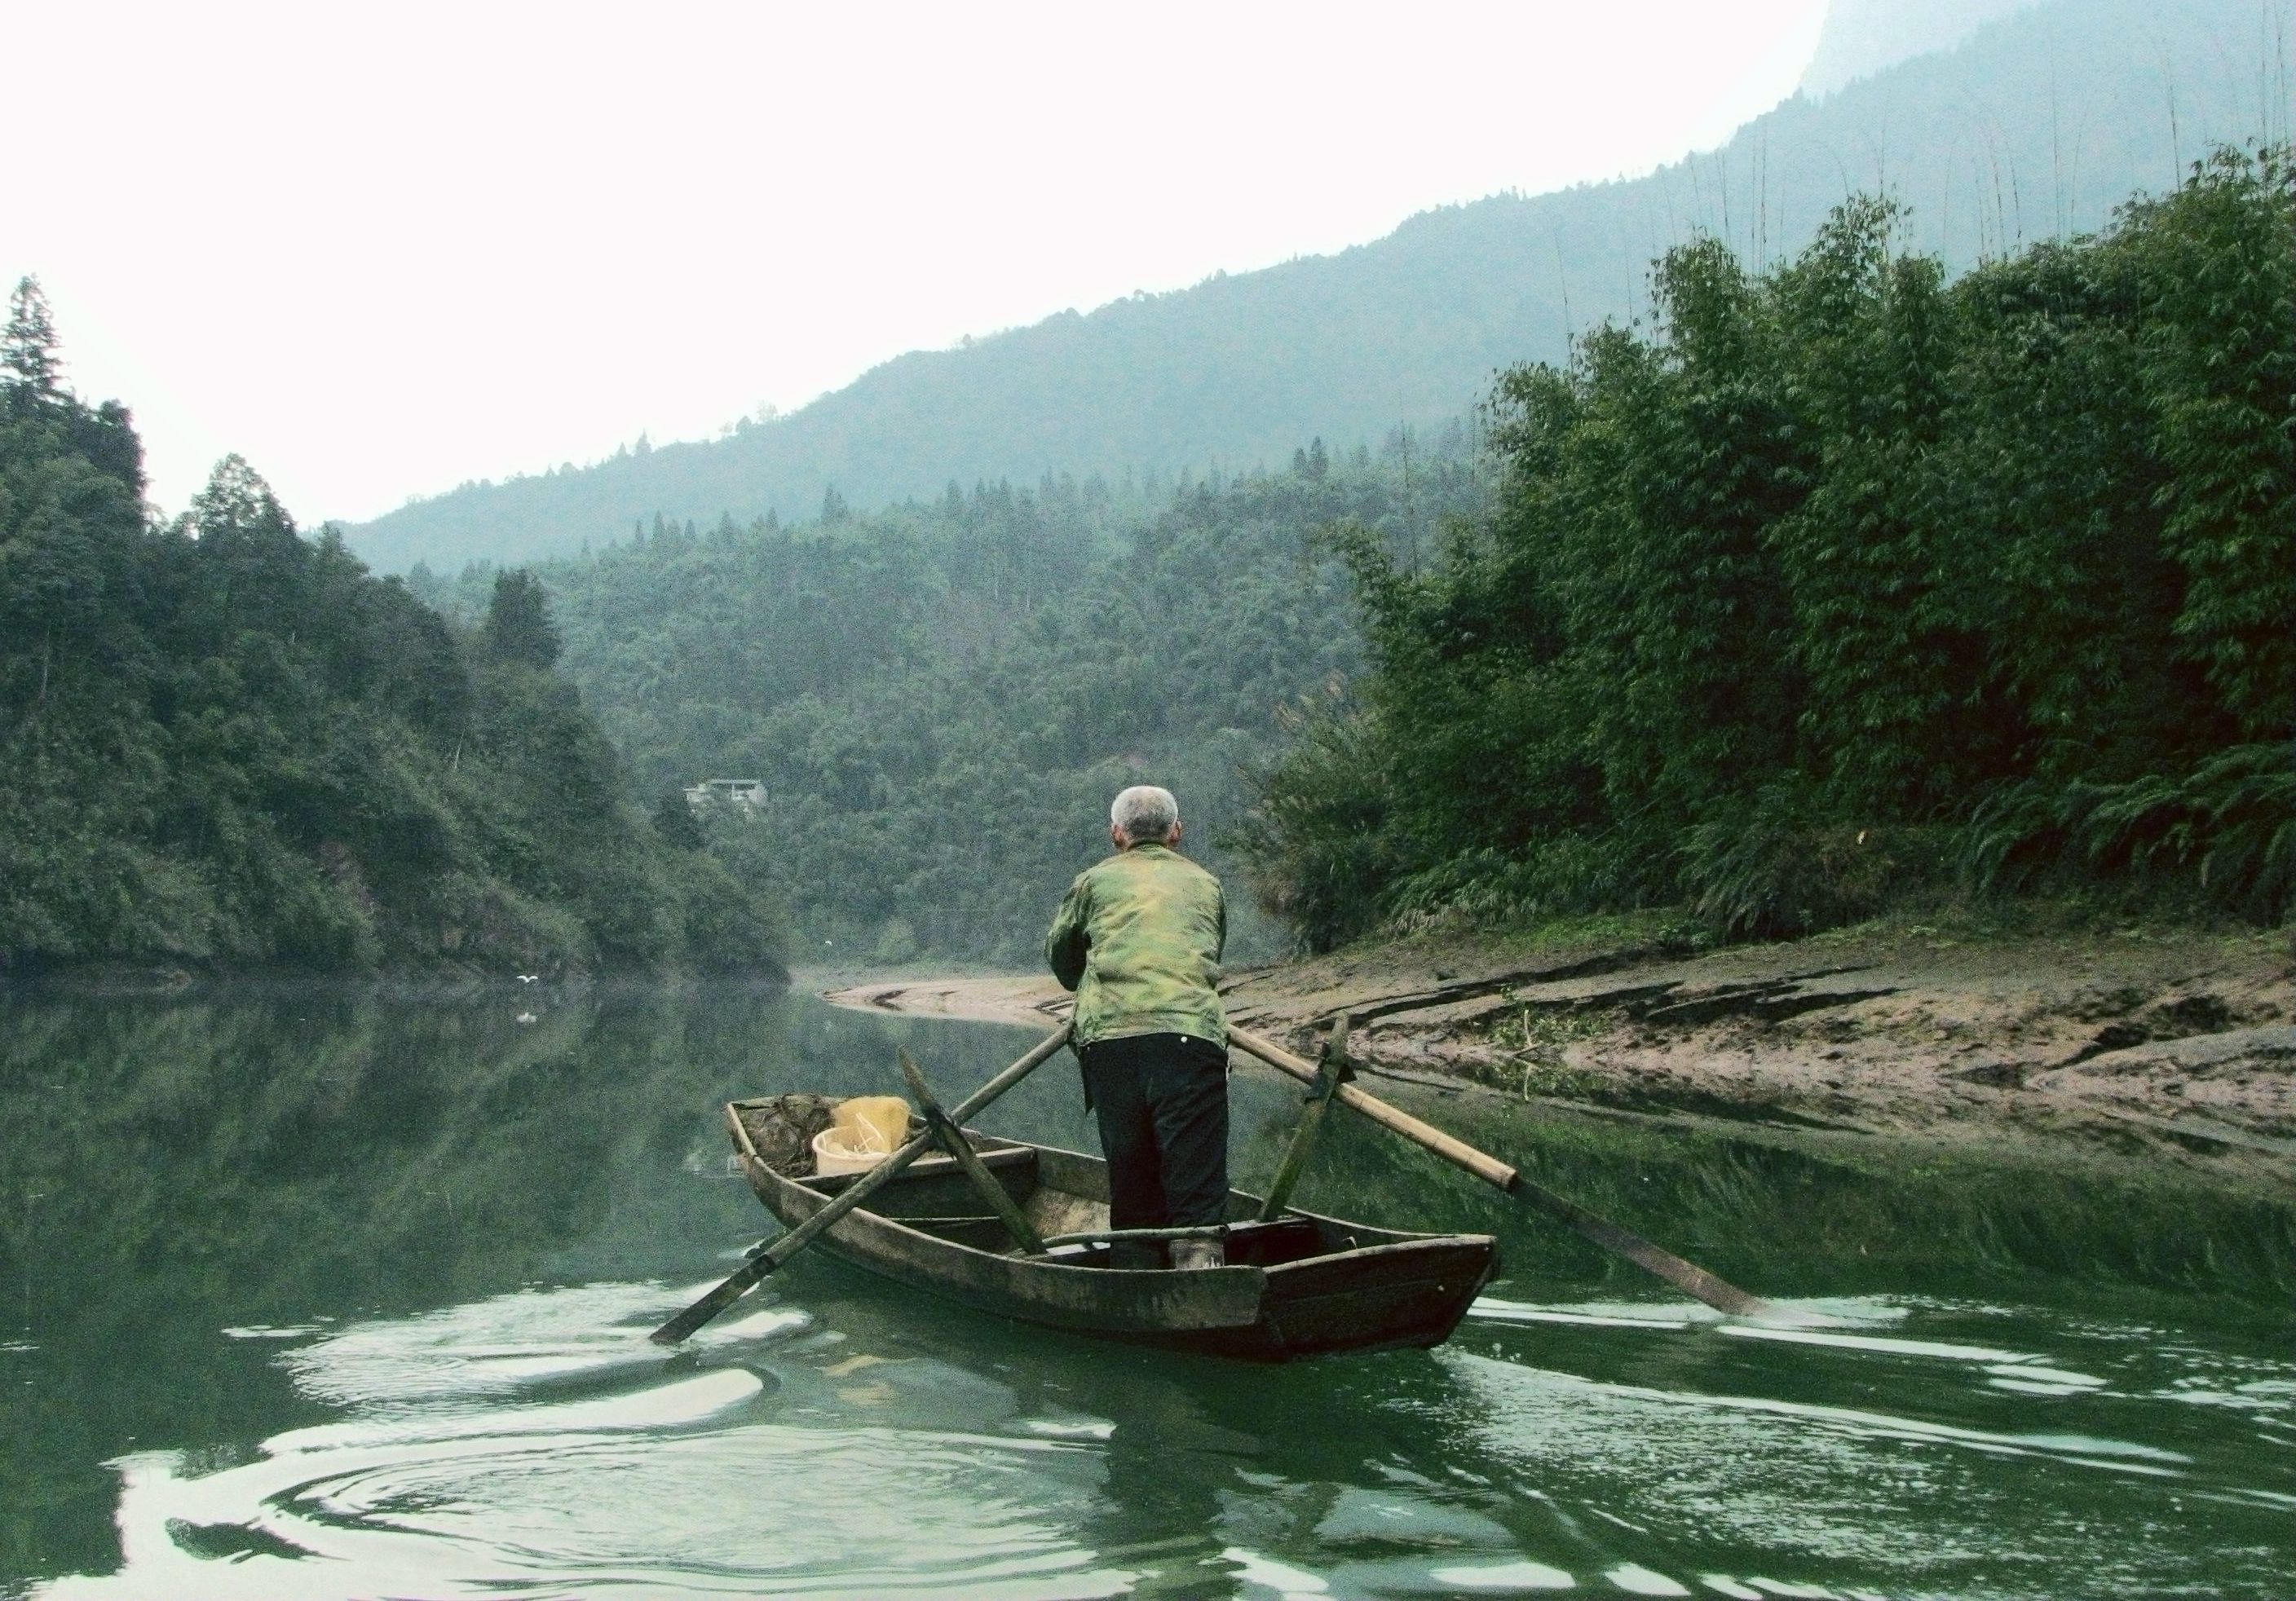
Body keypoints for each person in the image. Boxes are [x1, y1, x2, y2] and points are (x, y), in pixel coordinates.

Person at [1044, 785, 1230, 1268]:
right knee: (1196, 1178)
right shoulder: (1206, 884)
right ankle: (1200, 1258)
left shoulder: (1092, 882)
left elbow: (1064, 964)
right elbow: (1208, 952)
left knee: (1131, 1174)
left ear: (1116, 834)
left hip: (1111, 1041)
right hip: (1191, 1037)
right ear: (1177, 833)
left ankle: (1135, 1264)